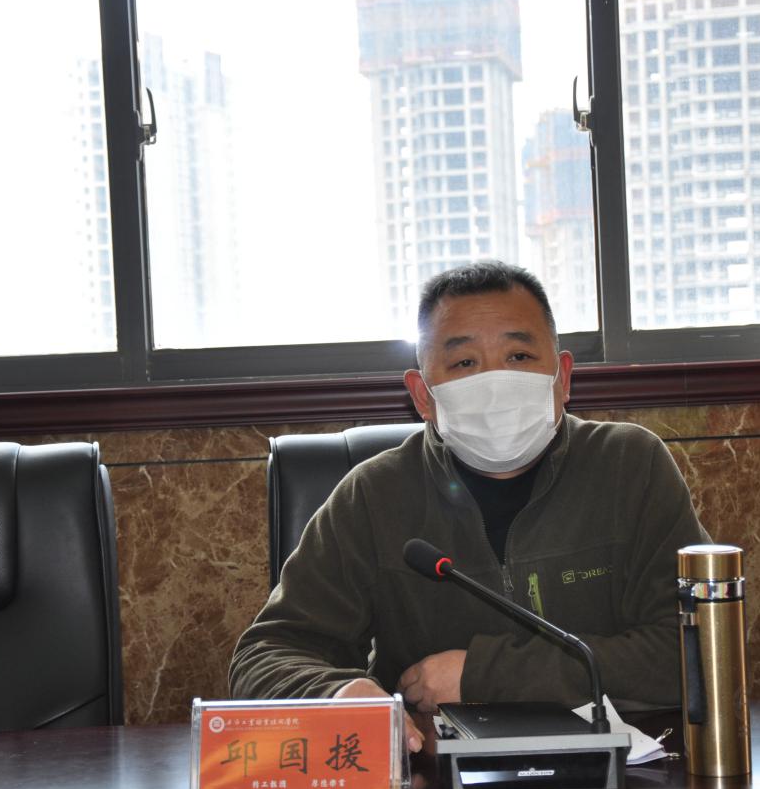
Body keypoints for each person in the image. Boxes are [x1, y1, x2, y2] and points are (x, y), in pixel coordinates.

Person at [229, 261, 708, 751]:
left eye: (519, 356)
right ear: (423, 396)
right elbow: (266, 655)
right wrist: (335, 693)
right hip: (434, 780)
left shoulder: (630, 466)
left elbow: (695, 649)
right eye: (464, 364)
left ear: (562, 377)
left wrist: (484, 674)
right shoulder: (374, 495)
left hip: (621, 777)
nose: (495, 383)